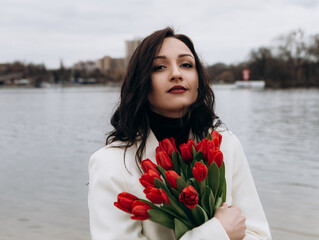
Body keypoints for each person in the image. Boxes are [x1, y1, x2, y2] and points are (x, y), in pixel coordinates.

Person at [88, 27, 271, 240]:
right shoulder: (111, 164)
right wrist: (218, 232)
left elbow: (258, 235)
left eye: (186, 64)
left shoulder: (224, 145)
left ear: (198, 79)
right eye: (159, 67)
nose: (176, 74)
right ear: (141, 82)